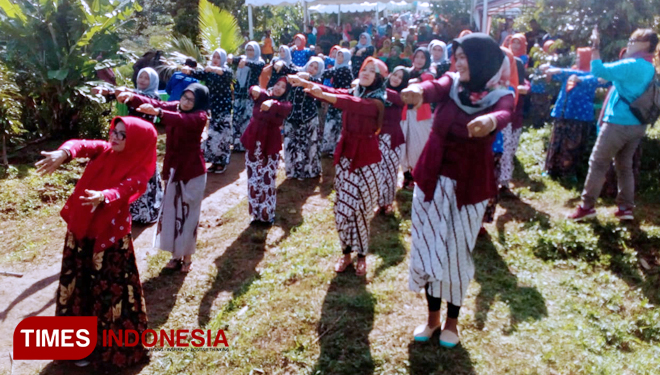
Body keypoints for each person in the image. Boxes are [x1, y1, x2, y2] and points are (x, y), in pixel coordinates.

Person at [401, 33, 514, 348]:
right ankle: (432, 319)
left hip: (468, 186)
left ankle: (452, 322)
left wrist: (490, 120)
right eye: (458, 56)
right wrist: (417, 91)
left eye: (465, 58)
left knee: (456, 253)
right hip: (432, 179)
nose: (459, 63)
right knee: (427, 246)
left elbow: (505, 112)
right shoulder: (451, 83)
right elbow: (432, 87)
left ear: (483, 62)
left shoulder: (500, 94)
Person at [37, 116, 156, 369]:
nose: (115, 136)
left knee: (107, 293)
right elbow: (81, 144)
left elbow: (127, 188)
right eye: (114, 131)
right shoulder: (104, 150)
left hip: (110, 241)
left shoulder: (140, 168)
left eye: (123, 134)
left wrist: (105, 195)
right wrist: (64, 152)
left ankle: (108, 352)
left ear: (137, 141)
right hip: (82, 233)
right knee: (78, 286)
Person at [290, 57, 388, 276]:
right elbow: (340, 93)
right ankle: (345, 252)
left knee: (362, 209)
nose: (366, 73)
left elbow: (350, 104)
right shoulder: (357, 91)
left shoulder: (377, 101)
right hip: (346, 155)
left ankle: (361, 255)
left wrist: (324, 95)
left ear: (379, 78)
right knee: (342, 208)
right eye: (364, 69)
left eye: (372, 71)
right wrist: (307, 84)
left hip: (367, 160)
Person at [119, 83, 210, 273]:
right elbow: (151, 101)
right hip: (174, 170)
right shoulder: (176, 107)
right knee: (173, 213)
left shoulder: (200, 116)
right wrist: (131, 97)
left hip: (192, 173)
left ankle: (187, 258)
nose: (185, 102)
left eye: (190, 99)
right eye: (184, 98)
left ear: (199, 101)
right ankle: (175, 256)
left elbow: (180, 120)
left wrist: (159, 112)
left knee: (189, 215)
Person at [570, 29, 657, 222]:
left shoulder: (631, 64)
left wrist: (595, 46)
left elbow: (598, 71)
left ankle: (586, 207)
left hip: (618, 123)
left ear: (645, 44)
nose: (630, 42)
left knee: (598, 162)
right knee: (624, 166)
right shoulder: (650, 68)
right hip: (638, 125)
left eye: (633, 39)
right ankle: (626, 208)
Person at [92, 68, 164, 225]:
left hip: (144, 141)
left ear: (153, 81)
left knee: (144, 172)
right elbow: (122, 93)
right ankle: (130, 209)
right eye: (141, 77)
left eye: (146, 78)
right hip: (131, 139)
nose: (143, 80)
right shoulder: (134, 93)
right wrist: (105, 91)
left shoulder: (151, 97)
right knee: (130, 171)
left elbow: (133, 97)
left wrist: (119, 93)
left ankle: (146, 212)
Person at [542, 48, 606, 180]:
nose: (577, 59)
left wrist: (578, 78)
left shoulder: (593, 75)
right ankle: (551, 169)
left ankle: (569, 173)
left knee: (574, 145)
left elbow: (599, 79)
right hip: (563, 113)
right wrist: (547, 68)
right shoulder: (570, 72)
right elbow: (554, 71)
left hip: (580, 117)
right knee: (557, 142)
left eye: (580, 57)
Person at [240, 78, 293, 226]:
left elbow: (283, 108)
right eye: (277, 84)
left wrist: (272, 103)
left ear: (286, 91)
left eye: (283, 87)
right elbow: (254, 90)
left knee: (267, 180)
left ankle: (266, 215)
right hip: (253, 141)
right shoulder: (263, 96)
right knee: (253, 179)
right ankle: (255, 215)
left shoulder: (285, 104)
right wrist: (254, 89)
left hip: (269, 144)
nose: (278, 88)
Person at [183, 48, 234, 173]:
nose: (215, 60)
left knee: (222, 136)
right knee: (212, 136)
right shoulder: (209, 72)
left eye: (218, 58)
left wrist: (213, 69)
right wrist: (189, 71)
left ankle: (221, 162)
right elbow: (198, 73)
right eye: (214, 57)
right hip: (213, 109)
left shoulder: (227, 71)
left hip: (224, 109)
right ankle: (213, 161)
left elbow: (224, 73)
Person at [283, 57, 325, 179]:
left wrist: (306, 78)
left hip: (308, 119)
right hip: (291, 117)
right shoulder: (296, 75)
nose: (312, 69)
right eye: (311, 66)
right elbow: (285, 70)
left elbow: (317, 85)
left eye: (316, 68)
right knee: (291, 144)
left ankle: (308, 172)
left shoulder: (317, 81)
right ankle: (292, 171)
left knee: (308, 146)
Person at [400, 47, 434, 190]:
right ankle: (406, 175)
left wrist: (414, 81)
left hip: (420, 115)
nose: (419, 60)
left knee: (418, 144)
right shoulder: (405, 72)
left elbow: (426, 80)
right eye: (417, 57)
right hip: (403, 114)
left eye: (423, 57)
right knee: (403, 145)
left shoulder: (428, 74)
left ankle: (417, 175)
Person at [378, 66, 409, 214]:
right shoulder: (379, 90)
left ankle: (387, 202)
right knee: (376, 170)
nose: (396, 78)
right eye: (394, 74)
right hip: (376, 135)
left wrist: (377, 87)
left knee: (390, 170)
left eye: (400, 77)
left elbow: (398, 100)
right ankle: (376, 199)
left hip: (392, 137)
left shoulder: (402, 95)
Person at [232, 41, 266, 151]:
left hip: (251, 95)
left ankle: (247, 143)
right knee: (237, 118)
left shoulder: (259, 62)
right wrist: (230, 57)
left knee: (248, 118)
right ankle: (237, 144)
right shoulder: (242, 59)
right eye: (248, 50)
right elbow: (233, 59)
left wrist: (245, 62)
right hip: (239, 94)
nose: (249, 52)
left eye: (252, 50)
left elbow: (255, 66)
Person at [320, 49, 353, 154]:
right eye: (338, 56)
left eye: (341, 56)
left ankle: (336, 149)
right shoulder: (337, 68)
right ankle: (328, 148)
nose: (339, 58)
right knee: (330, 123)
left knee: (338, 124)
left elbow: (327, 73)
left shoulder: (345, 69)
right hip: (334, 100)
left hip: (342, 101)